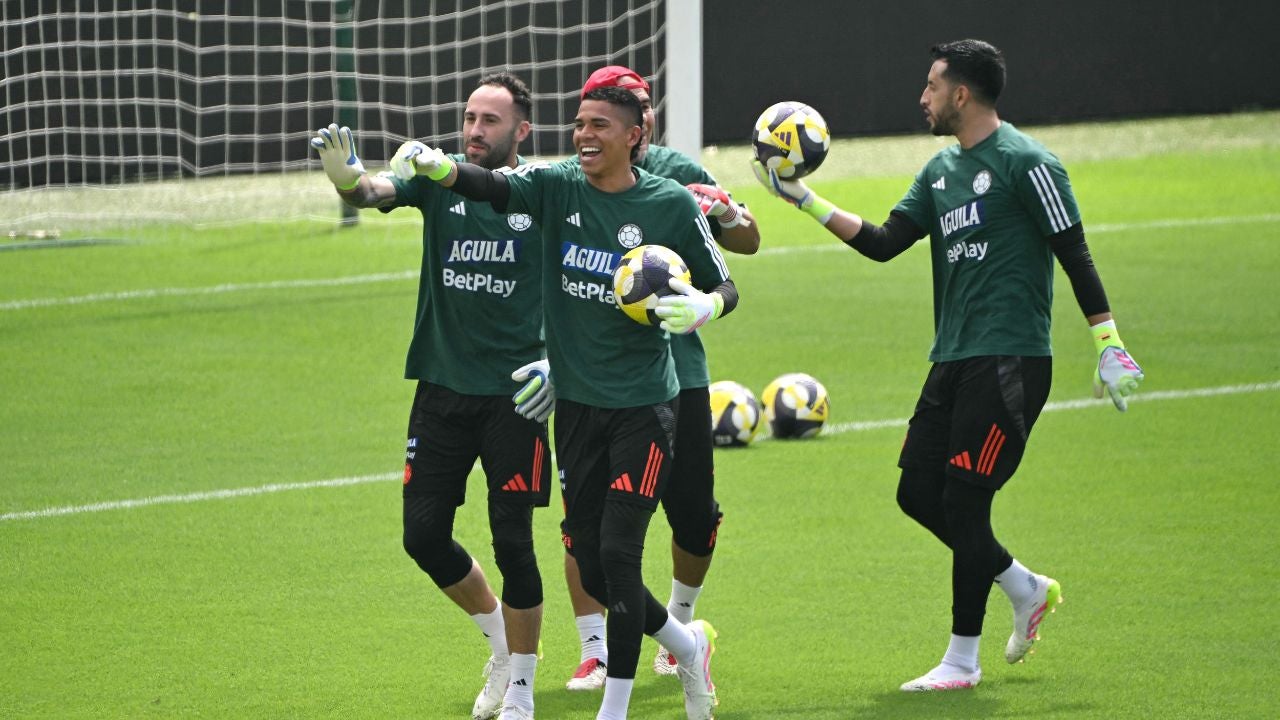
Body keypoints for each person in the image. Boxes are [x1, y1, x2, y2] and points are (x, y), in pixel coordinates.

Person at [752, 39, 1144, 692]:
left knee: (965, 502)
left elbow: (1073, 250)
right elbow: (883, 243)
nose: (923, 97)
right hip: (952, 359)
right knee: (916, 492)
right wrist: (801, 197)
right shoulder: (939, 172)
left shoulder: (1028, 162)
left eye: (932, 86)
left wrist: (1108, 342)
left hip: (1011, 360)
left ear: (961, 94)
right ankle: (1023, 587)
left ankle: (962, 659)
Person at [389, 85, 732, 720]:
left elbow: (725, 281)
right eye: (579, 124)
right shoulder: (557, 187)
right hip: (573, 407)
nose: (585, 135)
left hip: (644, 407)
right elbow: (494, 190)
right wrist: (442, 168)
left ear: (635, 134)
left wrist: (706, 305)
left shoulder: (669, 203)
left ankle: (616, 707)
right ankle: (686, 645)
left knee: (619, 553)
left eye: (600, 124)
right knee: (596, 569)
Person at [310, 73, 554, 720]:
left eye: (491, 121)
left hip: (516, 398)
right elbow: (371, 191)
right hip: (442, 390)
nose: (475, 130)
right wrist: (345, 177)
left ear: (521, 131)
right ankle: (502, 642)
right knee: (422, 536)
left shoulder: (540, 191)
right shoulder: (434, 181)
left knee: (514, 544)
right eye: (470, 117)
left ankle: (522, 691)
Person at [560, 66, 760, 692]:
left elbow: (744, 247)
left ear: (643, 121)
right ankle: (596, 647)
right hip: (592, 380)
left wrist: (727, 211)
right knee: (589, 527)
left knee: (692, 513)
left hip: (678, 374)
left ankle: (680, 626)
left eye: (630, 111)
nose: (592, 133)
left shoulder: (677, 175)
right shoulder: (574, 180)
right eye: (584, 120)